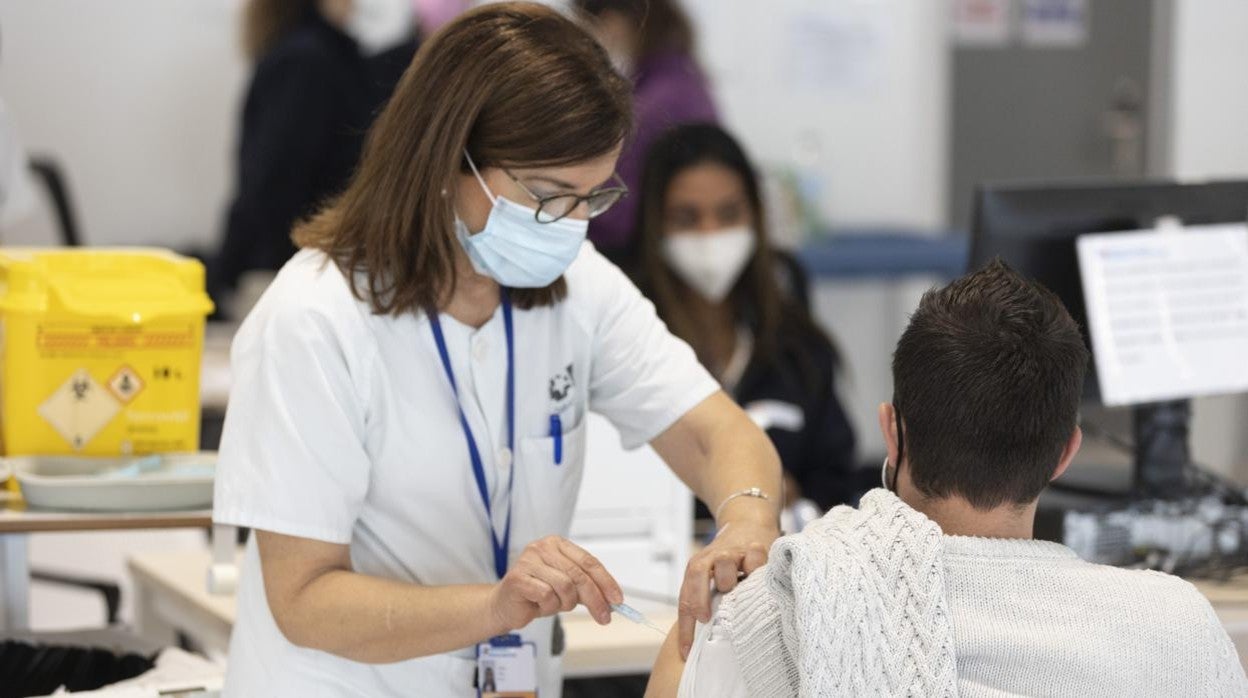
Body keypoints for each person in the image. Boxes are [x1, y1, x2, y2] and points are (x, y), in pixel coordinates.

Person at [213, 4, 782, 697]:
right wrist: (493, 607)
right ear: (448, 161)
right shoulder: (313, 320)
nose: (571, 227)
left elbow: (710, 429)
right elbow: (302, 600)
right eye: (547, 198)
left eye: (592, 197)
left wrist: (746, 519)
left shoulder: (579, 288)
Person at [646, 260, 1248, 697]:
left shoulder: (777, 613)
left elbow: (686, 671)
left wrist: (702, 630)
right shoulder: (1177, 628)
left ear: (892, 432)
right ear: (1065, 453)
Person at [632, 124, 856, 515]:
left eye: (728, 213)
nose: (710, 233)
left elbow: (836, 475)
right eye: (687, 218)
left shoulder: (797, 346)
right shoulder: (631, 343)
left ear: (756, 215)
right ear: (656, 226)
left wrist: (796, 496)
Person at [209, 0, 417, 314]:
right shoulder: (306, 62)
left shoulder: (329, 56)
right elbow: (272, 185)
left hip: (309, 273)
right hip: (291, 278)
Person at [572, 0, 717, 264]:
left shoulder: (654, 103)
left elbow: (615, 216)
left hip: (640, 257)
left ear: (612, 20)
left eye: (584, 27)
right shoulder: (680, 80)